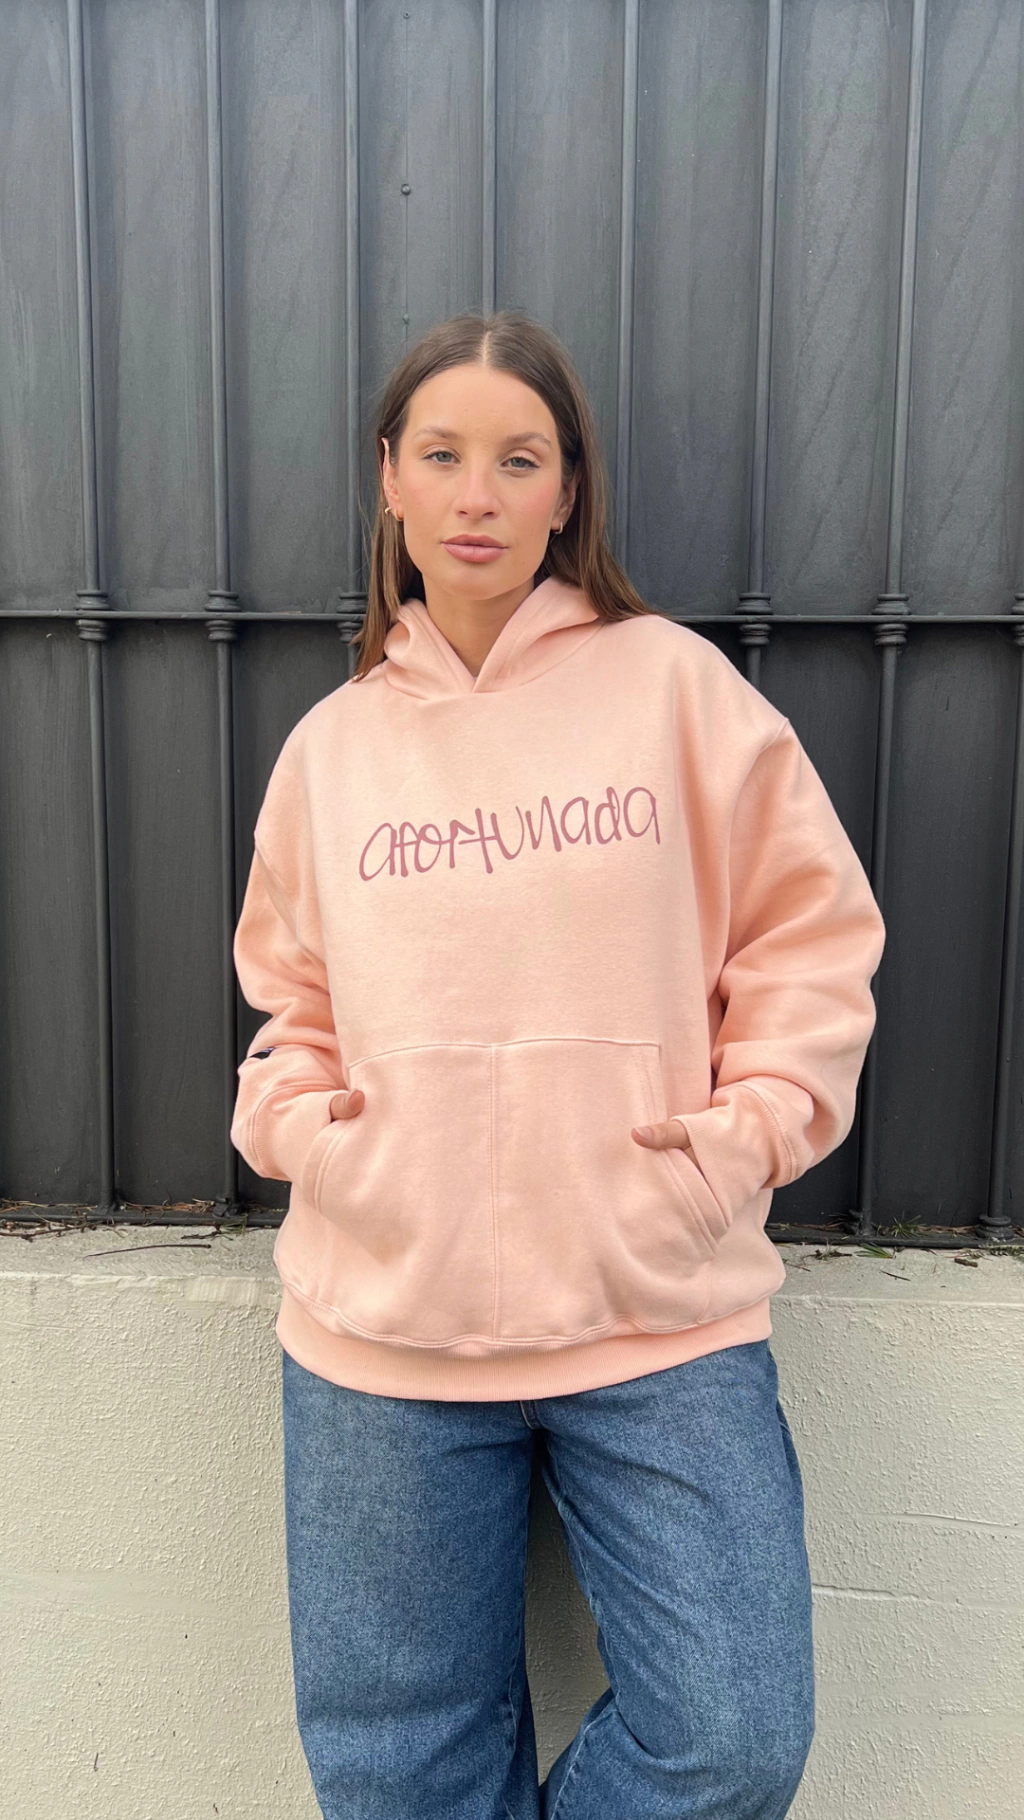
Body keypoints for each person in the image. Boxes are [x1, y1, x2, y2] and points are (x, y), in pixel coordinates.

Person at [230, 309, 886, 1819]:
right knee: (399, 1779)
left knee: (731, 1738)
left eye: (519, 460)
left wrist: (747, 1136)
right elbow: (291, 1002)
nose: (478, 495)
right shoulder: (333, 749)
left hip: (658, 1313)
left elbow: (809, 937)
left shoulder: (676, 691)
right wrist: (317, 1138)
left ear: (566, 490)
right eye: (443, 455)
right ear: (389, 478)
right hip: (383, 1331)